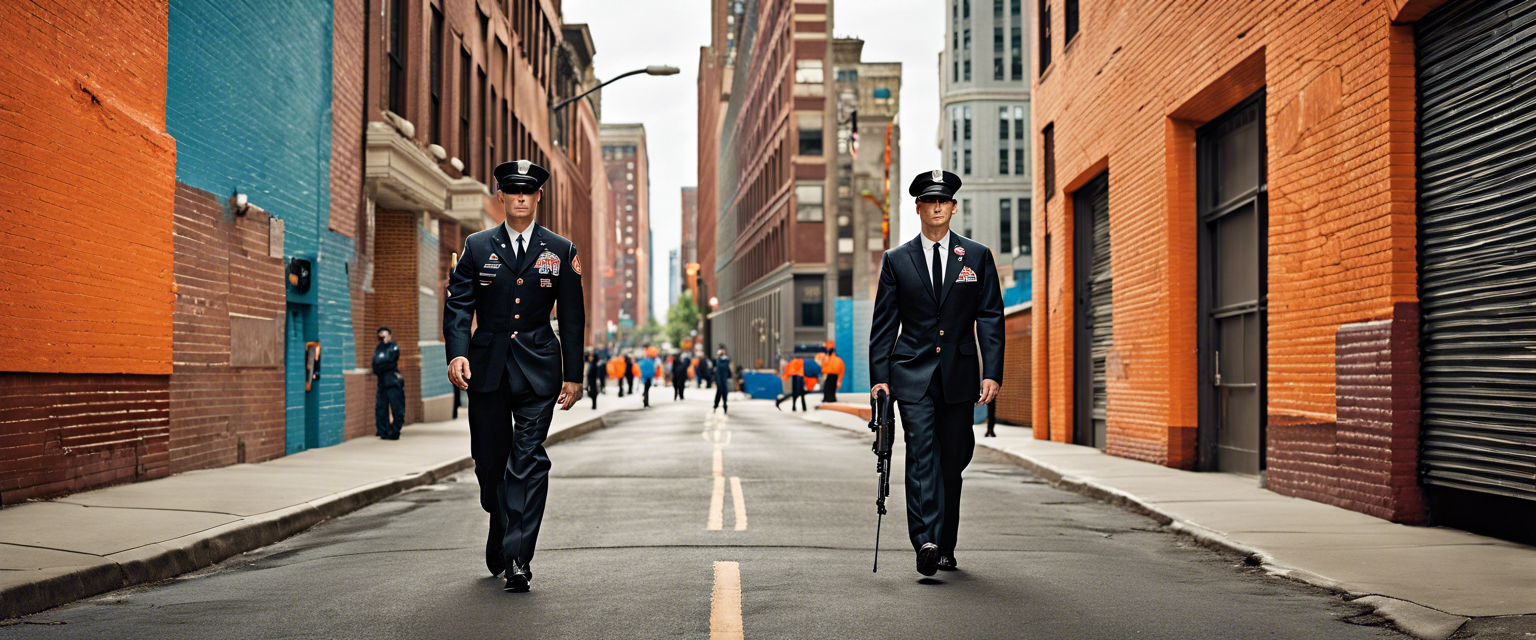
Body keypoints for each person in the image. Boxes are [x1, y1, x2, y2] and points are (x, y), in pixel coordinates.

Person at [443, 159, 585, 594]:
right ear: (500, 196)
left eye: (529, 190)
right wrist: (457, 354)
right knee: (491, 464)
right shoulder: (476, 246)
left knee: (527, 460)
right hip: (487, 369)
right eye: (513, 190)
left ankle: (519, 557)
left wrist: (574, 376)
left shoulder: (560, 250)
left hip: (538, 371)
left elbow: (574, 317)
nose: (521, 196)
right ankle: (499, 516)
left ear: (538, 196)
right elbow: (458, 305)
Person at [870, 169, 1003, 578]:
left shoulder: (977, 257)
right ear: (919, 208)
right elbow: (884, 323)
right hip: (912, 374)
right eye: (930, 201)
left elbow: (991, 317)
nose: (938, 206)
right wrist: (880, 377)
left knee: (953, 459)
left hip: (960, 376)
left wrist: (992, 372)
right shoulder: (896, 260)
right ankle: (925, 541)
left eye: (944, 200)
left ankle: (945, 545)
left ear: (953, 206)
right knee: (922, 455)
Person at [372, 326, 404, 440]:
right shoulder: (378, 348)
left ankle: (395, 430)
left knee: (396, 406)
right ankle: (382, 431)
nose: (383, 337)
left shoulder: (393, 346)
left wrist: (382, 366)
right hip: (382, 380)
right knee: (381, 407)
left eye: (385, 334)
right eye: (381, 335)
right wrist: (381, 367)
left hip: (392, 380)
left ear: (389, 335)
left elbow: (390, 361)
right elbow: (375, 364)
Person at [712, 346, 732, 414]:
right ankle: (716, 405)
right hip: (719, 380)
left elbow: (726, 366)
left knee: (724, 393)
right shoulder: (718, 360)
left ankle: (724, 405)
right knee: (719, 392)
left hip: (723, 379)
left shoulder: (726, 360)